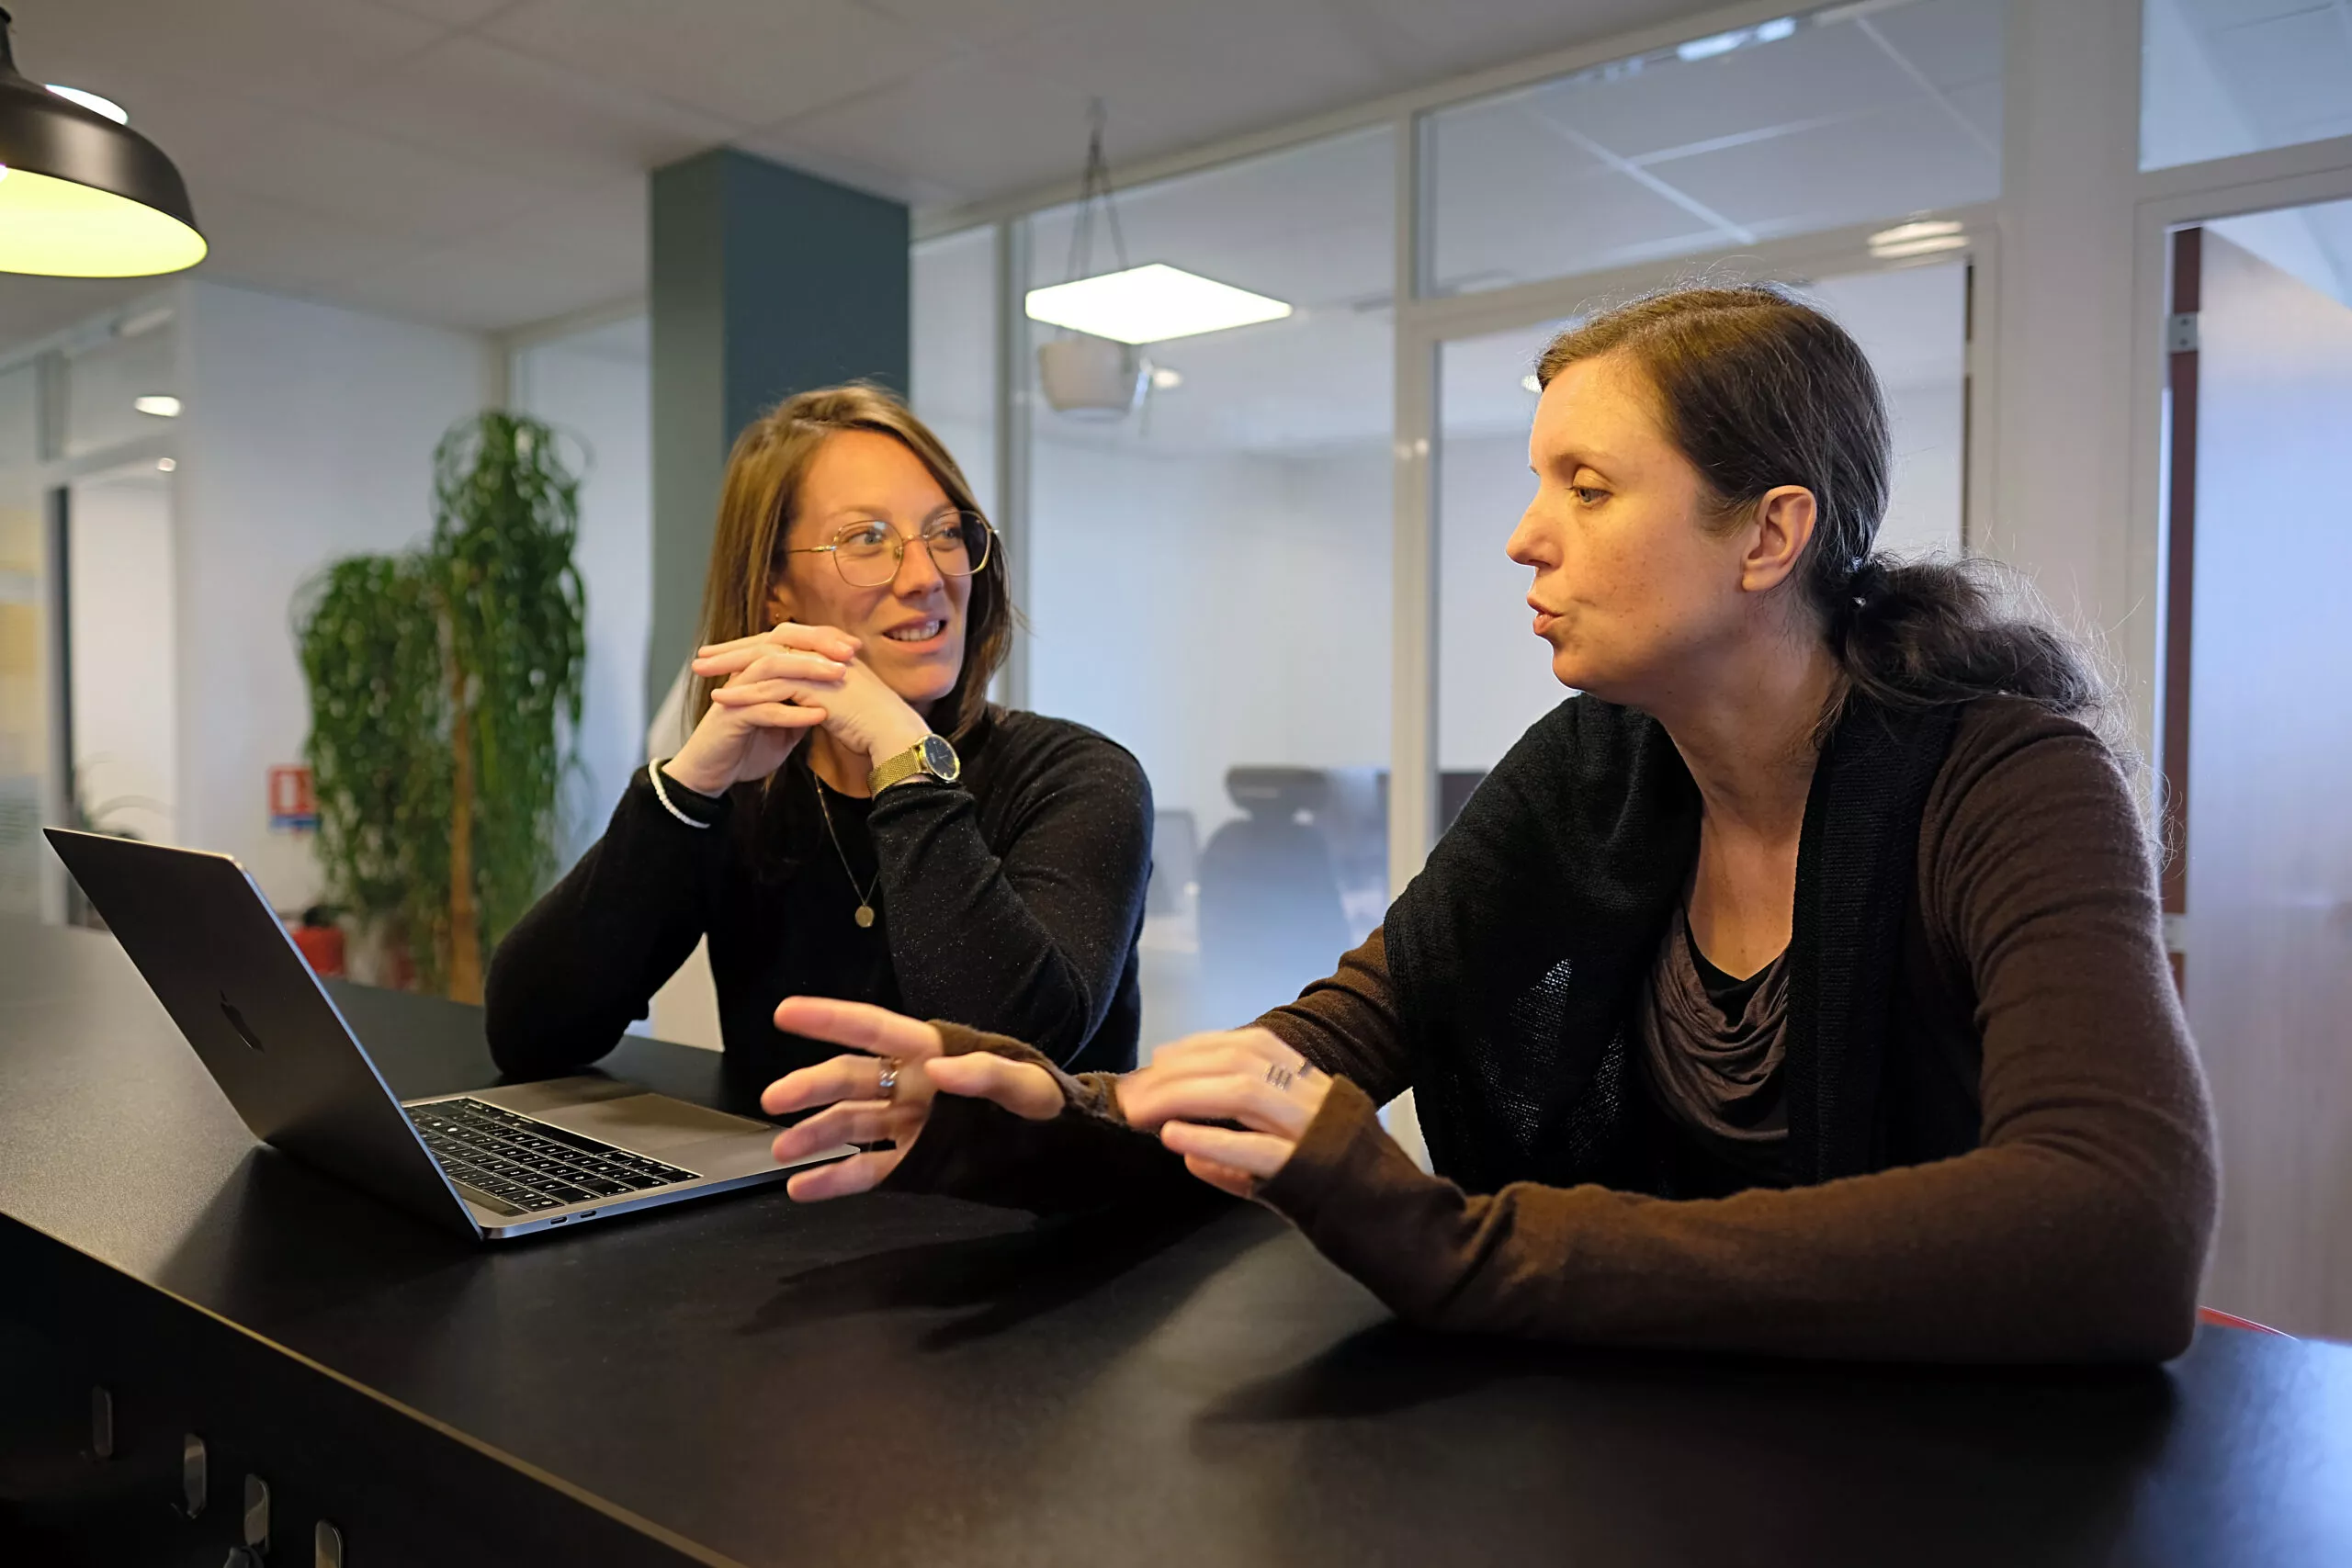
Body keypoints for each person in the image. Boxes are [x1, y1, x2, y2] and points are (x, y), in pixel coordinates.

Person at [750, 286, 2222, 1364]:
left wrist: (1462, 1247)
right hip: (1639, 1446)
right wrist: (1051, 1118)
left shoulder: (2010, 777)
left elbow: (2122, 1224)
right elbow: (1329, 1042)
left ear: (1769, 534)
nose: (1525, 532)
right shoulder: (1593, 765)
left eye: (1585, 485)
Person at [486, 385, 1152, 1086]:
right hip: (782, 1187)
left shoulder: (1082, 777)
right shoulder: (751, 790)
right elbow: (531, 1033)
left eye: (946, 532)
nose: (926, 576)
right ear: (776, 587)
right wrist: (686, 790)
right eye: (868, 540)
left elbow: (1013, 1049)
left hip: (1019, 1198)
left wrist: (905, 756)